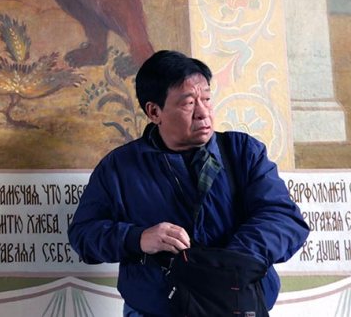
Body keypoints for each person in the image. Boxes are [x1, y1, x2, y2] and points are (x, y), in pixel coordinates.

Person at [67, 50, 309, 317]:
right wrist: (138, 238)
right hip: (156, 310)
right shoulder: (119, 167)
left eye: (206, 99)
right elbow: (83, 235)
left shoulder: (243, 152)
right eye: (188, 103)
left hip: (238, 306)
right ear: (154, 111)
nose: (203, 113)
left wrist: (224, 267)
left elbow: (284, 219)